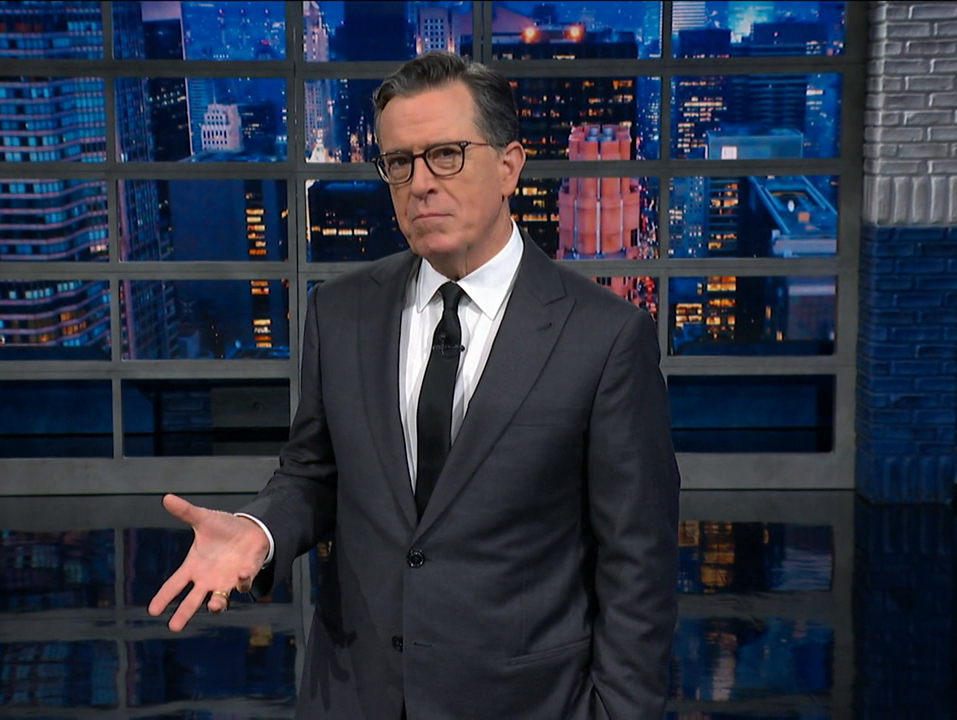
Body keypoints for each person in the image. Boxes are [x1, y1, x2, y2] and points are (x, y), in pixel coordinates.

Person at [149, 51, 680, 719]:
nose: (420, 183)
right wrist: (261, 530)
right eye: (399, 162)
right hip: (354, 697)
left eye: (446, 155)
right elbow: (314, 474)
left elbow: (639, 562)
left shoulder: (605, 337)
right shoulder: (340, 311)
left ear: (510, 166)